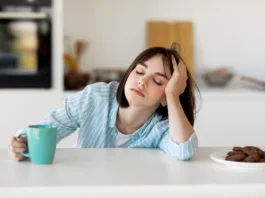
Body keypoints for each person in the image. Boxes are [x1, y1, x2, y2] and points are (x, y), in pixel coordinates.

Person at [8, 43, 200, 161]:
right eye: (139, 71)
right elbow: (46, 129)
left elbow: (183, 150)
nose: (142, 81)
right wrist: (23, 143)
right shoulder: (96, 97)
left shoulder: (163, 126)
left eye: (158, 81)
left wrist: (174, 95)